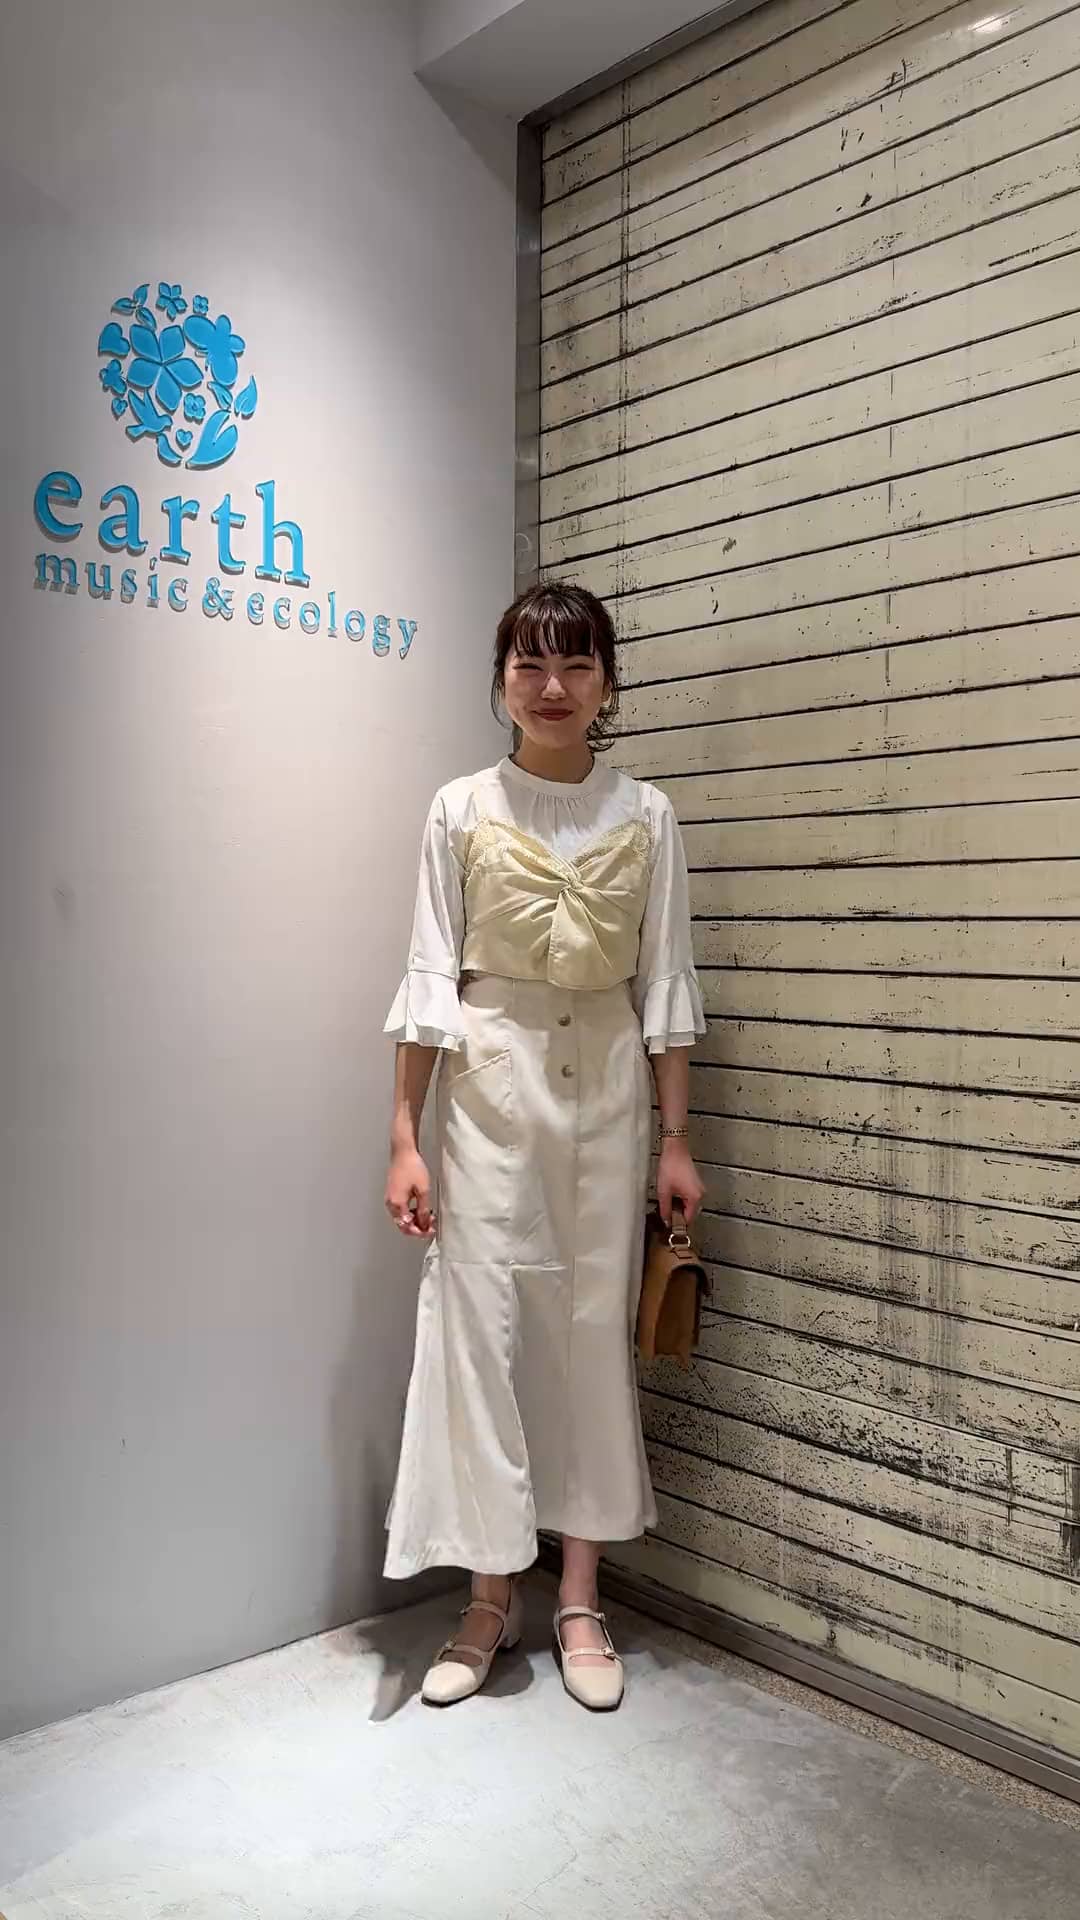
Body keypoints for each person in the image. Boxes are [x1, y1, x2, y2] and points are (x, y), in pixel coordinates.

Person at [382, 581, 706, 1712]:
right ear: (501, 680)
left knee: (587, 1336)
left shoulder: (647, 815)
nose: (553, 687)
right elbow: (430, 976)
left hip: (609, 1092)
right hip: (488, 1091)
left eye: (576, 665)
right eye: (530, 665)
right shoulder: (460, 808)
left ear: (608, 681)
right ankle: (488, 1597)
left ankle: (577, 1597)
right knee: (482, 1333)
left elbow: (666, 986)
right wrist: (403, 1136)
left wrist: (676, 1139)